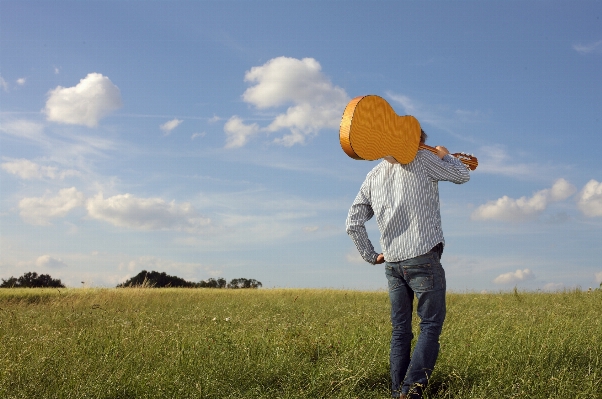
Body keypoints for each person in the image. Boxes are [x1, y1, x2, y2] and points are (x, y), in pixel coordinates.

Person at [345, 130, 470, 399]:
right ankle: (410, 393)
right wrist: (446, 156)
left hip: (392, 263)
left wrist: (371, 255)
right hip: (423, 257)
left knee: (400, 329)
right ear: (415, 142)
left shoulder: (373, 175)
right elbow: (462, 175)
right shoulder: (423, 160)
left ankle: (397, 392)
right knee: (430, 325)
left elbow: (353, 223)